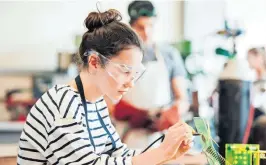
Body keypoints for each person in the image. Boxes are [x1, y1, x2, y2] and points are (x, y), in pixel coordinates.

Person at [17, 9, 194, 165]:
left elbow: (119, 154)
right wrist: (161, 153)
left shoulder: (97, 103)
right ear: (94, 62)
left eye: (134, 74)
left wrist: (168, 153)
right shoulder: (63, 103)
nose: (130, 83)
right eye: (125, 71)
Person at [112, 0, 189, 147]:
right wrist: (134, 114)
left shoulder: (169, 55)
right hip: (128, 137)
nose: (146, 33)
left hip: (161, 138)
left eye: (150, 26)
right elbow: (108, 101)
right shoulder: (118, 56)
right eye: (140, 27)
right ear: (131, 27)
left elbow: (182, 98)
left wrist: (174, 111)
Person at [247, 47, 266, 120]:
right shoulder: (250, 77)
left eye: (250, 57)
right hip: (253, 115)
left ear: (259, 57)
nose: (248, 60)